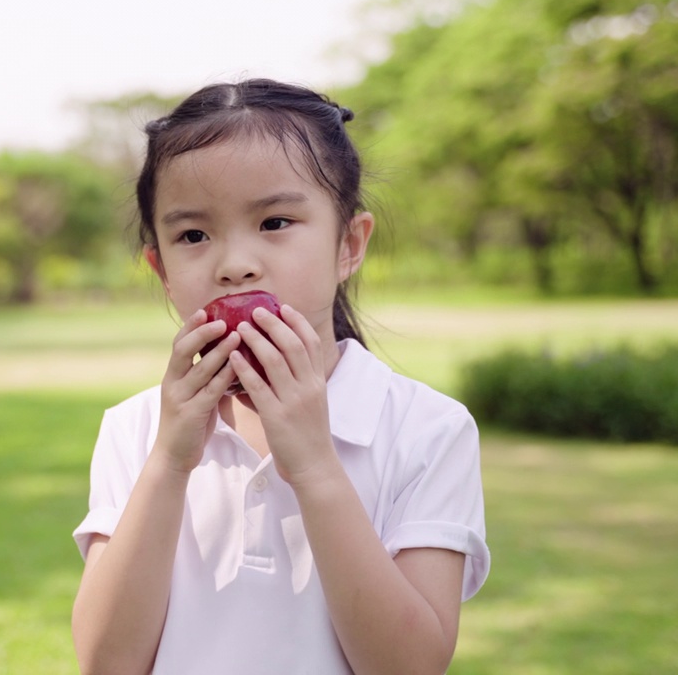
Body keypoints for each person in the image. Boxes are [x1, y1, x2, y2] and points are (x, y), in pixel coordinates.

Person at [70, 79, 490, 675]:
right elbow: (106, 663)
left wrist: (316, 466)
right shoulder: (135, 431)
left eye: (275, 222)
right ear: (160, 269)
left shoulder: (426, 430)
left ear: (348, 244)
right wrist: (167, 462)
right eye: (193, 235)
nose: (236, 264)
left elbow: (411, 666)